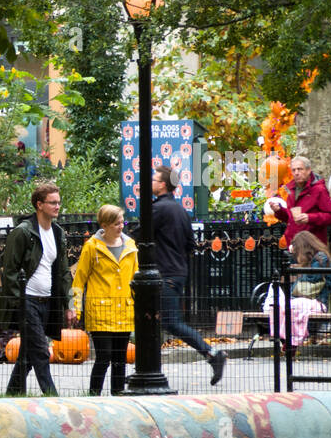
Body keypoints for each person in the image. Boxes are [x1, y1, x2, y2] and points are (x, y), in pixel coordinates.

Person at [153, 165, 228, 385]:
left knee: (171, 322)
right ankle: (148, 369)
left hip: (163, 274)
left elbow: (140, 236)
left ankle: (212, 353)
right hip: (177, 273)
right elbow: (190, 245)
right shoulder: (181, 212)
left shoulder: (158, 210)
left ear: (164, 184)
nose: (152, 182)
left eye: (155, 179)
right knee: (154, 321)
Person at [0, 182, 73, 397]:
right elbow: (10, 271)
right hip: (27, 300)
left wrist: (68, 304)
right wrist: (17, 304)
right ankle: (53, 398)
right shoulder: (23, 232)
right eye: (53, 203)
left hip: (47, 301)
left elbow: (64, 272)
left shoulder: (58, 233)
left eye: (59, 202)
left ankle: (11, 395)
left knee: (27, 355)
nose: (58, 206)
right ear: (39, 204)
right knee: (41, 350)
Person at [71, 204, 137, 396]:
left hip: (124, 310)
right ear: (105, 225)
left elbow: (136, 278)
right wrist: (75, 308)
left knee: (120, 359)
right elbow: (79, 279)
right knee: (104, 357)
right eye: (116, 224)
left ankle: (118, 397)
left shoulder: (131, 246)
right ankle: (94, 396)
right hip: (100, 311)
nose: (121, 227)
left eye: (122, 223)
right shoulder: (92, 246)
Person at [275, 156, 331, 247]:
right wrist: (279, 210)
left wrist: (310, 218)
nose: (296, 173)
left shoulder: (319, 189)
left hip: (313, 245)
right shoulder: (290, 190)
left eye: (300, 169)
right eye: (294, 170)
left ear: (308, 170)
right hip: (294, 244)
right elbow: (290, 218)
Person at [288, 230, 331, 307]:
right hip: (305, 300)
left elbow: (313, 278)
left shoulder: (321, 258)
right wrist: (291, 253)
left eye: (298, 249)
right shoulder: (312, 258)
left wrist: (301, 278)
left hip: (318, 300)